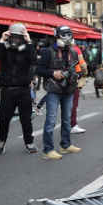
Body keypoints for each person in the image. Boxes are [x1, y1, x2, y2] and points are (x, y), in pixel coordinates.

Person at [35, 25, 82, 160]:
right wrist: (53, 73)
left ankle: (65, 145)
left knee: (67, 120)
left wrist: (77, 75)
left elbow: (78, 69)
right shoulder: (48, 52)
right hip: (54, 91)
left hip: (69, 90)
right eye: (64, 35)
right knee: (50, 121)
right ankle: (48, 150)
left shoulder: (73, 52)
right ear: (57, 37)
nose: (67, 38)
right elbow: (38, 70)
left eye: (69, 35)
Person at [0, 24, 39, 154]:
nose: (14, 40)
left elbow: (33, 58)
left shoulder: (27, 50)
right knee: (4, 118)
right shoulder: (5, 50)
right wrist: (2, 40)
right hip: (7, 90)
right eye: (13, 37)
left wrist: (29, 41)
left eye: (18, 38)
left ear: (22, 39)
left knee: (26, 119)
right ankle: (2, 141)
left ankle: (29, 142)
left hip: (23, 90)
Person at [70, 44, 88, 133]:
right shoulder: (76, 50)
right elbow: (83, 65)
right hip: (75, 79)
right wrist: (84, 73)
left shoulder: (57, 50)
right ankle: (73, 125)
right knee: (73, 103)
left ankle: (67, 124)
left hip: (62, 80)